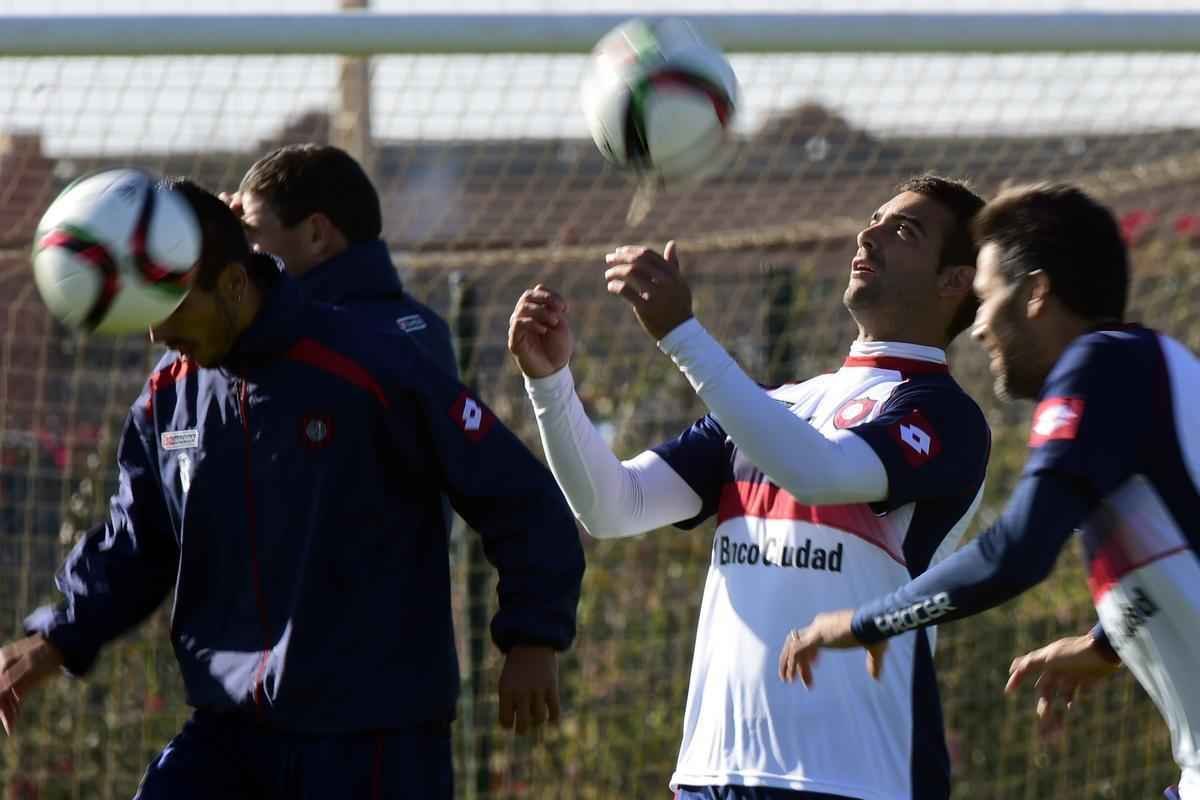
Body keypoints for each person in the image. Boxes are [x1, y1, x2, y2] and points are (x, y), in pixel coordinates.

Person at [0, 179, 585, 799]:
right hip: (229, 735)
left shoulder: (370, 366)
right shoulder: (168, 396)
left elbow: (518, 493)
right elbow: (136, 542)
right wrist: (56, 637)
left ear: (231, 284)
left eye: (169, 306)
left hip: (375, 741)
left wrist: (533, 635)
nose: (154, 335)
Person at [509, 175, 990, 799]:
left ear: (954, 281)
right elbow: (613, 506)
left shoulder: (944, 415)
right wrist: (550, 385)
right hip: (712, 773)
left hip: (854, 779)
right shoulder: (775, 407)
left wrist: (683, 335)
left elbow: (819, 472)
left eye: (904, 231)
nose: (868, 233)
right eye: (873, 217)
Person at [778, 183, 1200, 800]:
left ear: (1035, 293)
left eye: (987, 296)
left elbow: (1016, 553)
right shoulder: (1144, 372)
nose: (977, 327)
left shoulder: (1100, 366)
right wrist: (1104, 644)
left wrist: (872, 620)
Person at [223, 143, 457, 377]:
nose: (244, 253)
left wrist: (209, 248)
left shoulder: (311, 343)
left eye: (251, 233)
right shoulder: (427, 326)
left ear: (316, 235)